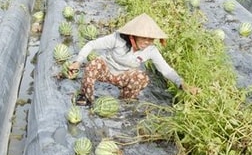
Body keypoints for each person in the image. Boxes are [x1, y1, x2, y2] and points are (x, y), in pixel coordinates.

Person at [68, 13, 197, 106]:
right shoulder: (117, 39)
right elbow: (92, 44)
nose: (148, 42)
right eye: (144, 38)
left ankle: (126, 100)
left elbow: (166, 70)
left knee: (142, 77)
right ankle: (86, 96)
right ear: (132, 36)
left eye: (151, 39)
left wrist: (182, 84)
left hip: (123, 76)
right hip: (105, 70)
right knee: (94, 64)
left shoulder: (151, 50)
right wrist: (78, 62)